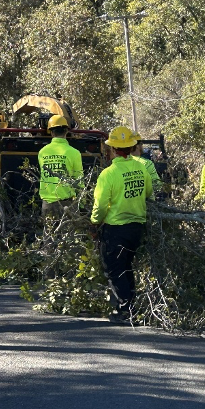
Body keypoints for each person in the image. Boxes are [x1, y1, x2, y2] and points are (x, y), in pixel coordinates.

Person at [90, 126, 154, 323]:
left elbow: (100, 206)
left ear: (112, 150)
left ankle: (125, 310)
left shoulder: (108, 174)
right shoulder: (141, 168)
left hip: (116, 228)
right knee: (126, 266)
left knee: (114, 269)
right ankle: (131, 307)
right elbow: (149, 193)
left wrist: (94, 222)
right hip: (136, 227)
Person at [38, 115, 84, 219]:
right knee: (69, 235)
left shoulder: (42, 152)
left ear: (51, 132)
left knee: (49, 234)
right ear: (66, 131)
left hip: (47, 204)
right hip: (68, 204)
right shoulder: (74, 153)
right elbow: (79, 180)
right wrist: (82, 203)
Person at [130, 131, 163, 197]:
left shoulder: (121, 163)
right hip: (146, 204)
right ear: (137, 146)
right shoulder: (147, 163)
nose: (142, 146)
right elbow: (157, 186)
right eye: (141, 143)